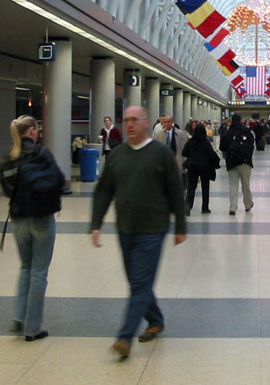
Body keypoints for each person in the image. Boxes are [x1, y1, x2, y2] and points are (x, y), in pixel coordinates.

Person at [90, 106, 186, 360]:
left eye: (135, 120)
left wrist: (180, 226)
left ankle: (124, 337)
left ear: (146, 124)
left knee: (140, 282)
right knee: (137, 281)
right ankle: (155, 319)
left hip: (152, 229)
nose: (130, 124)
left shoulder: (160, 154)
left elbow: (176, 189)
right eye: (127, 120)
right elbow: (103, 191)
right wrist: (96, 222)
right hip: (125, 228)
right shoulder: (118, 155)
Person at [1, 115, 64, 342]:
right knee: (39, 272)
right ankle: (33, 328)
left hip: (18, 219)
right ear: (31, 131)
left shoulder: (10, 156)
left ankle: (19, 316)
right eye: (36, 130)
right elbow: (59, 179)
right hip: (41, 219)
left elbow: (8, 191)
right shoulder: (41, 153)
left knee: (25, 267)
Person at [219, 114, 255, 215]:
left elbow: (222, 148)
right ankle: (248, 204)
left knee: (233, 185)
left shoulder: (227, 133)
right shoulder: (246, 131)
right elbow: (252, 144)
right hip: (245, 162)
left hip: (231, 162)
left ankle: (232, 208)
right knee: (246, 185)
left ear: (231, 121)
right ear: (241, 121)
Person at [181, 123, 220, 215]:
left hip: (192, 167)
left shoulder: (190, 142)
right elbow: (212, 155)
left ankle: (188, 207)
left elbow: (184, 153)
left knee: (191, 187)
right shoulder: (206, 143)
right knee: (205, 187)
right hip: (205, 167)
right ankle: (205, 208)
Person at [153, 115, 189, 184]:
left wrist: (184, 161)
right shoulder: (159, 134)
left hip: (177, 161)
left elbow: (184, 148)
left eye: (168, 122)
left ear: (172, 122)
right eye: (165, 122)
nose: (166, 124)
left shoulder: (180, 134)